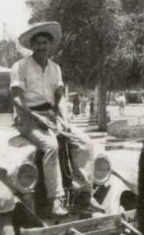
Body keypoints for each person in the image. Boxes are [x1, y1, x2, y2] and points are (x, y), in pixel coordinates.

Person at [10, 21, 102, 217]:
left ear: (50, 45)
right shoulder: (20, 67)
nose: (42, 47)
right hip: (27, 118)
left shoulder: (55, 68)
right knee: (51, 146)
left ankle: (85, 195)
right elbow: (17, 99)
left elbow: (59, 97)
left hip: (50, 116)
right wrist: (36, 117)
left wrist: (65, 120)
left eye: (45, 43)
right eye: (38, 43)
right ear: (31, 46)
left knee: (85, 143)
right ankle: (55, 201)